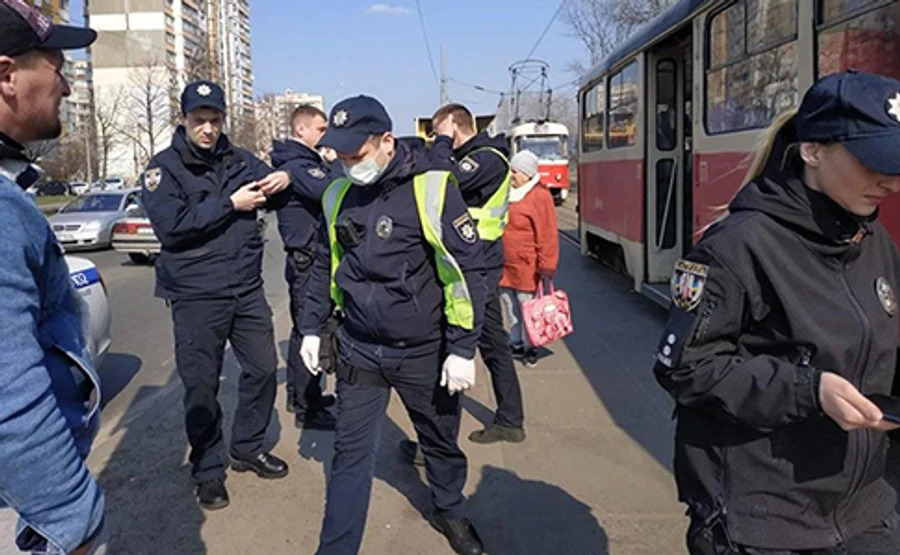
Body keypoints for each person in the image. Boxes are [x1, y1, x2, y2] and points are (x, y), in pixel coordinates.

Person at [653, 70, 900, 554]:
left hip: (867, 513)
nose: (891, 182)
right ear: (813, 150)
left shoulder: (876, 241)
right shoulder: (737, 246)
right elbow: (683, 366)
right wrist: (808, 389)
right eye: (876, 163)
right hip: (763, 522)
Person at [299, 95, 487, 555]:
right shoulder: (337, 195)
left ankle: (449, 507)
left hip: (423, 349)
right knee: (349, 456)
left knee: (439, 440)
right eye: (339, 155)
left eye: (356, 155)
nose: (347, 164)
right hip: (360, 348)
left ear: (386, 141)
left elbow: (468, 271)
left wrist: (463, 347)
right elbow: (324, 265)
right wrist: (309, 325)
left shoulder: (432, 188)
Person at [142, 80, 292, 511]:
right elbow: (171, 226)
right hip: (195, 295)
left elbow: (275, 192)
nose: (207, 129)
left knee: (263, 369)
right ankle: (208, 470)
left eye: (214, 120)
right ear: (185, 120)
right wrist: (230, 204)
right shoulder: (164, 168)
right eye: (199, 120)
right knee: (201, 387)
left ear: (223, 119)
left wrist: (286, 177)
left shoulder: (240, 159)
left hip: (245, 288)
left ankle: (246, 447)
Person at [0, 1, 106, 553]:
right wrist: (69, 513)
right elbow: (6, 390)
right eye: (56, 66)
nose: (65, 85)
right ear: (6, 74)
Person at [427, 103, 525, 444]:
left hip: (475, 264)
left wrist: (441, 145)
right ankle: (511, 419)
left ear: (454, 126)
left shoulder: (486, 158)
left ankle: (438, 441)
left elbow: (441, 181)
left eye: (440, 132)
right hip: (478, 261)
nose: (438, 140)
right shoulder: (482, 155)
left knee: (456, 341)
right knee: (492, 342)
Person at [271, 104, 338, 431]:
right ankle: (308, 408)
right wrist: (335, 162)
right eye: (321, 128)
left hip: (307, 257)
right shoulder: (299, 165)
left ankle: (305, 396)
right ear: (302, 130)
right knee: (310, 329)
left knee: (307, 328)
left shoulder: (302, 162)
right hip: (308, 259)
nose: (325, 135)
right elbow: (332, 193)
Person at [499, 150, 559, 368]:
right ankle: (515, 342)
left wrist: (547, 265)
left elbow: (548, 233)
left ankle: (530, 346)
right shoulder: (507, 192)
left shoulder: (539, 196)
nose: (511, 175)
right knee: (508, 304)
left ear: (527, 173)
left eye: (515, 171)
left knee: (528, 308)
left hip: (527, 264)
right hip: (505, 263)